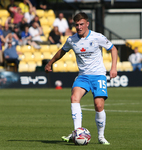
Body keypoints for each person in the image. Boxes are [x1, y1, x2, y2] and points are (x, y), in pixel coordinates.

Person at [45, 12, 118, 145]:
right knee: (74, 98)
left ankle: (101, 137)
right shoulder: (72, 40)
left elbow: (113, 49)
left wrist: (113, 68)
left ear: (87, 24)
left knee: (99, 105)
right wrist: (50, 63)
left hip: (98, 75)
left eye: (81, 24)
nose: (79, 27)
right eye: (77, 25)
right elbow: (62, 51)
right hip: (83, 76)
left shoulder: (97, 37)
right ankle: (77, 132)